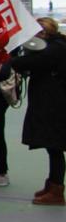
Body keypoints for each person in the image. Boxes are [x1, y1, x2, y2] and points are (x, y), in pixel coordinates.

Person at [9, 18, 66, 206]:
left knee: (55, 146)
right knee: (54, 147)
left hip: (54, 106)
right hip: (54, 104)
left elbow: (30, 62)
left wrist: (8, 60)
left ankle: (56, 189)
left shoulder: (54, 49)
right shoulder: (56, 46)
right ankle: (53, 185)